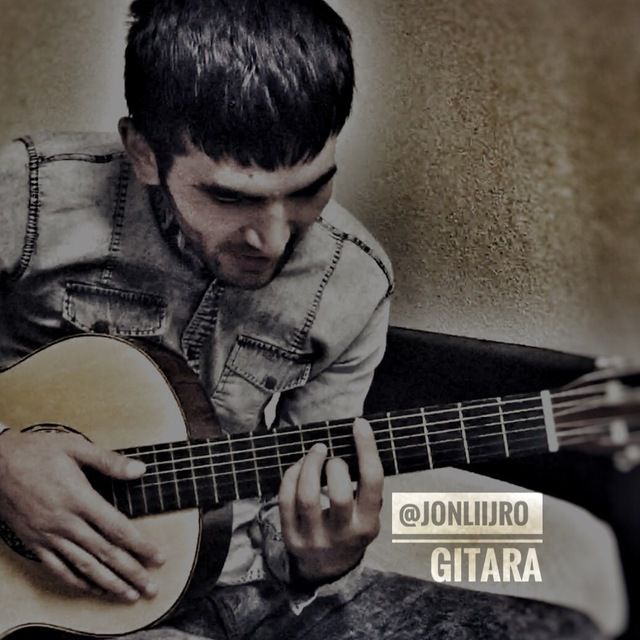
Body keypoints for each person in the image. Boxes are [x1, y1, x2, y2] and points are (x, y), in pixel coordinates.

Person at [0, 1, 603, 638]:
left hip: (230, 586)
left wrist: (318, 560)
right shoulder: (29, 196)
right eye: (229, 196)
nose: (273, 239)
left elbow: (294, 511)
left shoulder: (353, 282)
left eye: (309, 190)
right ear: (144, 153)